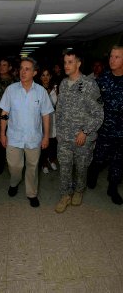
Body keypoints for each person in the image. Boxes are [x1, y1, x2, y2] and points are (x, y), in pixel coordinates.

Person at [0, 57, 54, 207]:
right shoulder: (11, 90)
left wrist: (46, 136)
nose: (23, 72)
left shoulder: (41, 92)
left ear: (35, 72)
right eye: (22, 68)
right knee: (14, 167)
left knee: (32, 167)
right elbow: (4, 112)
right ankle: (14, 182)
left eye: (27, 69)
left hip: (33, 138)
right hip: (13, 137)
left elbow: (46, 115)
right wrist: (2, 133)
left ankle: (31, 193)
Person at [55, 49, 104, 213]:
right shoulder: (63, 83)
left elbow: (99, 113)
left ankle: (78, 191)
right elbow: (59, 110)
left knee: (82, 167)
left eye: (70, 62)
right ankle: (65, 195)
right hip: (64, 137)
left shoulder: (89, 85)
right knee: (64, 167)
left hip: (82, 137)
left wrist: (85, 131)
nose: (66, 65)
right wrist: (58, 133)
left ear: (79, 63)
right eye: (65, 62)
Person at [87, 45, 123, 205]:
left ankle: (113, 188)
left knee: (119, 162)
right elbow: (92, 104)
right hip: (105, 130)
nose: (112, 60)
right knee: (99, 158)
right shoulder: (102, 79)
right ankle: (93, 175)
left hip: (122, 132)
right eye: (111, 56)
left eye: (117, 57)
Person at [39, 67, 58, 174]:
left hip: (53, 119)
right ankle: (44, 163)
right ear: (40, 77)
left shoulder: (55, 88)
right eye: (43, 75)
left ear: (50, 76)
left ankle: (51, 160)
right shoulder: (37, 89)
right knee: (43, 142)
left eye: (47, 75)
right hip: (42, 120)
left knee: (53, 142)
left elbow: (58, 104)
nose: (45, 77)